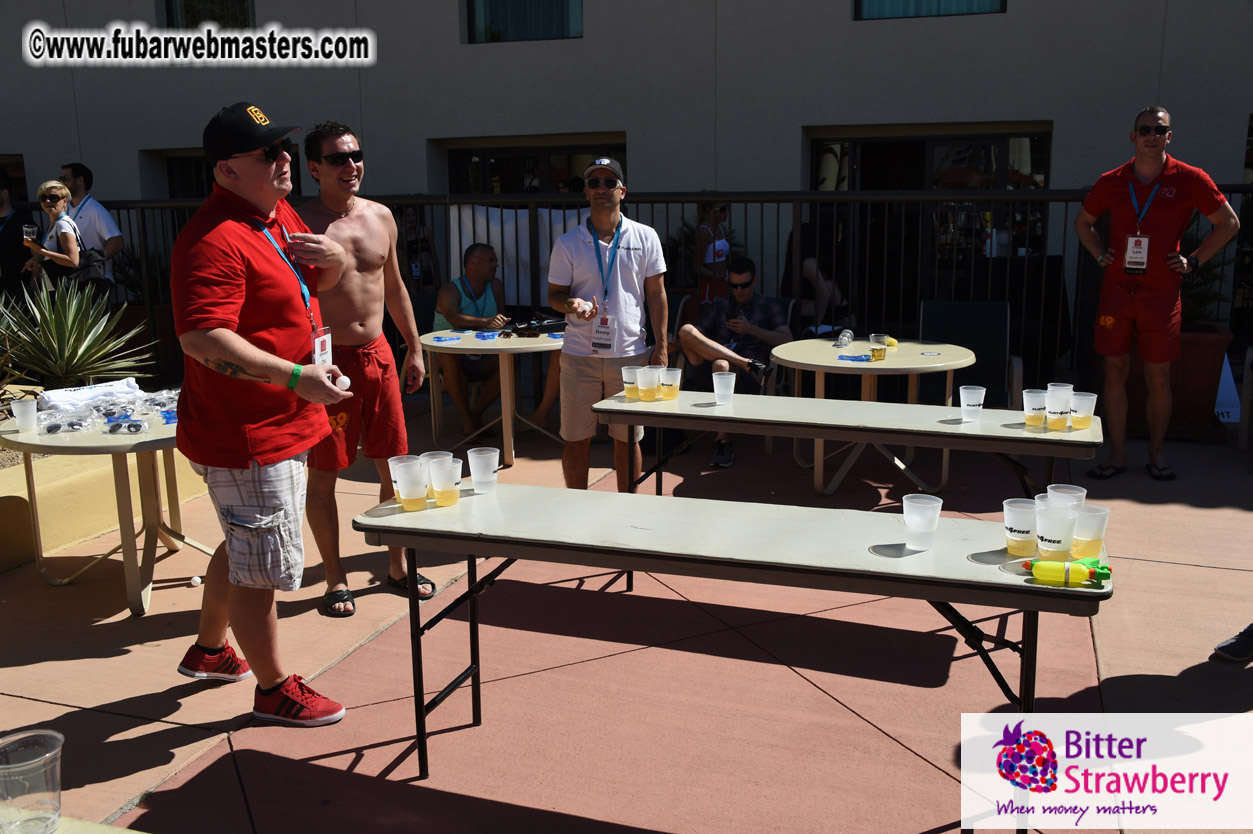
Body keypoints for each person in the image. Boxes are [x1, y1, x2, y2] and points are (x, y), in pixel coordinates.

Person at [171, 101, 351, 727]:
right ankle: (273, 689)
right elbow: (202, 338)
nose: (284, 161)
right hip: (249, 432)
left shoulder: (273, 215)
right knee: (264, 567)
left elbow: (299, 292)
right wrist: (296, 376)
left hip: (279, 419)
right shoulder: (213, 239)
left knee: (245, 543)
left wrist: (332, 268)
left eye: (283, 148)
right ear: (225, 170)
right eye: (266, 153)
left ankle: (213, 650)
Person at [296, 120, 432, 618]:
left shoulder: (381, 216)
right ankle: (335, 579)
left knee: (395, 466)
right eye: (336, 158)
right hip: (326, 364)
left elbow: (394, 288)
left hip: (378, 355)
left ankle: (397, 565)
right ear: (314, 168)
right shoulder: (295, 223)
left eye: (355, 155)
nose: (350, 166)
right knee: (325, 473)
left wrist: (413, 348)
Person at [1074, 106, 1239, 482]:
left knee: (1158, 377)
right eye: (1145, 129)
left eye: (1160, 130)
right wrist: (1100, 253)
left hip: (1162, 291)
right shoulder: (1111, 180)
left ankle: (1156, 454)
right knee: (1113, 371)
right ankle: (1116, 455)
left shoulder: (1190, 178)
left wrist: (1193, 261)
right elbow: (1083, 223)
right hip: (1117, 288)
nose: (1152, 135)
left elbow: (1228, 223)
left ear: (1169, 136)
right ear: (1132, 137)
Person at [548, 156, 668, 491]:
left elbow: (657, 294)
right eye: (595, 183)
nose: (602, 189)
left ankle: (626, 509)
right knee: (576, 439)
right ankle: (576, 509)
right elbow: (555, 295)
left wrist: (661, 347)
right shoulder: (568, 243)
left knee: (628, 439)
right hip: (579, 355)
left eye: (609, 182)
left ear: (623, 191)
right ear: (586, 192)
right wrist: (571, 305)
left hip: (629, 355)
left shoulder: (645, 237)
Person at [679, 256, 791, 467]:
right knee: (686, 331)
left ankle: (723, 441)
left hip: (750, 377)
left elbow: (787, 339)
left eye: (744, 285)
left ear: (755, 281)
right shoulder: (720, 304)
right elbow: (696, 335)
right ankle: (742, 361)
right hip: (713, 368)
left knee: (722, 366)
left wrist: (751, 329)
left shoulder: (767, 305)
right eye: (734, 285)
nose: (739, 290)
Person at [432, 243, 509, 434]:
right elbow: (455, 319)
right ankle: (467, 420)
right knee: (450, 358)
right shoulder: (450, 289)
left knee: (510, 360)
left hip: (481, 353)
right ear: (473, 263)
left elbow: (501, 321)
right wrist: (487, 321)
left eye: (495, 261)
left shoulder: (496, 286)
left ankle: (475, 414)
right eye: (491, 261)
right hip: (448, 356)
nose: (496, 265)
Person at [59, 162, 124, 289]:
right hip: (72, 278)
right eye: (60, 179)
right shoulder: (64, 209)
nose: (62, 183)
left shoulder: (96, 210)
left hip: (95, 279)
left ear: (80, 180)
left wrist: (92, 262)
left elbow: (117, 243)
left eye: (66, 179)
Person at [21, 180, 82, 290]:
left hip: (64, 290)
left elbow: (73, 261)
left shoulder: (62, 224)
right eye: (43, 198)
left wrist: (41, 251)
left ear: (65, 201)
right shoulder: (54, 225)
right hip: (54, 287)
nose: (48, 201)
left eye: (53, 198)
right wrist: (38, 259)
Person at [0, 174, 35, 299]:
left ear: (5, 193)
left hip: (19, 292)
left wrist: (31, 288)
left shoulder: (26, 224)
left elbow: (37, 255)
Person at [693, 199, 730, 306]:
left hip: (722, 282)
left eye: (727, 208)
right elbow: (696, 266)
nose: (726, 212)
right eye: (722, 209)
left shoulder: (722, 228)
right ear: (709, 210)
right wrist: (716, 276)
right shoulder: (704, 232)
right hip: (710, 284)